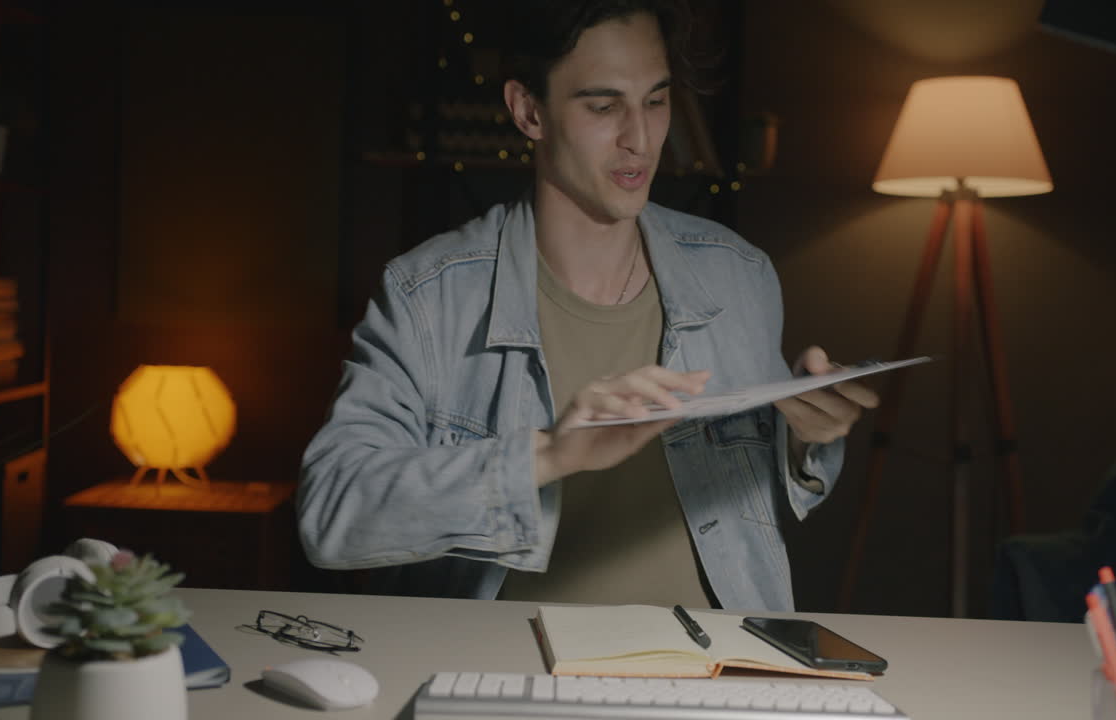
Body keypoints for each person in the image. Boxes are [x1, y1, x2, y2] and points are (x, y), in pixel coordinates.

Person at [297, 0, 878, 612]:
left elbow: (759, 501)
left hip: (716, 656)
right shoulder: (428, 295)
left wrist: (806, 437)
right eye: (604, 107)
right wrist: (549, 454)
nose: (641, 139)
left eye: (656, 100)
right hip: (508, 659)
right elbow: (331, 515)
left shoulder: (739, 275)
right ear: (528, 111)